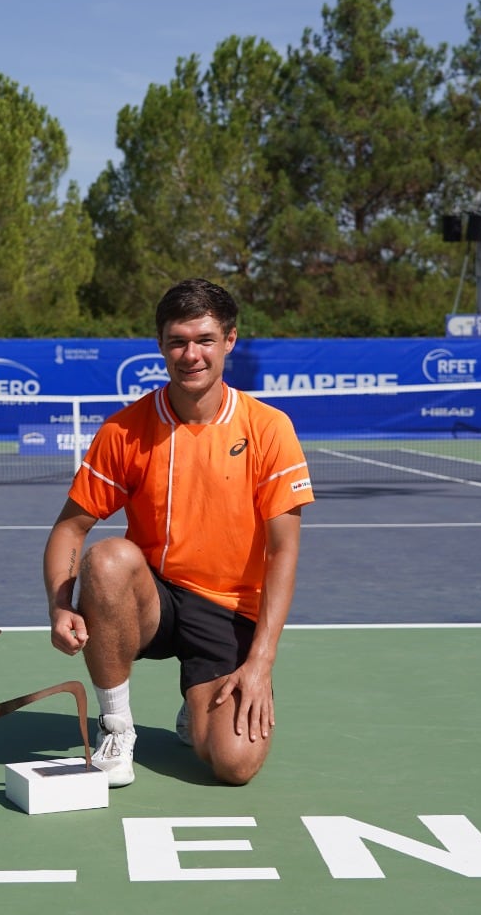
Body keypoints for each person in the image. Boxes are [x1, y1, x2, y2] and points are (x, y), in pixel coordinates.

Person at [43, 278, 314, 788]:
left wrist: (260, 663)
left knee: (234, 765)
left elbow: (284, 552)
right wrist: (59, 604)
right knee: (107, 559)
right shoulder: (124, 431)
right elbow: (69, 529)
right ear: (162, 345)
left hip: (230, 609)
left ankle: (199, 713)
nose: (191, 354)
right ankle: (117, 729)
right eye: (177, 341)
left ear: (229, 340)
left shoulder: (269, 428)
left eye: (204, 340)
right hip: (153, 598)